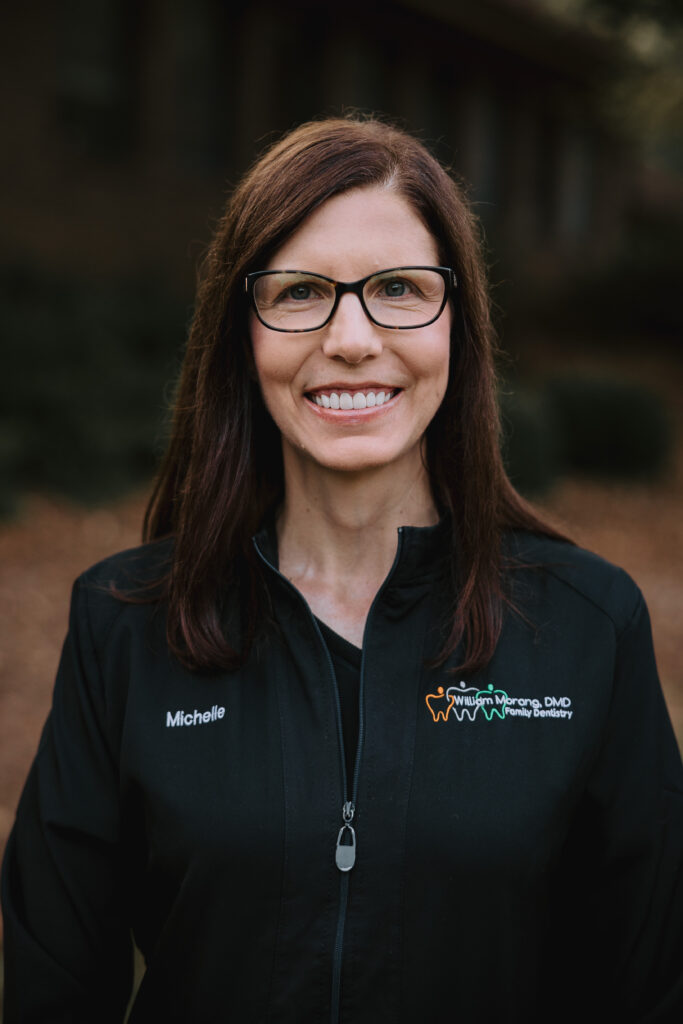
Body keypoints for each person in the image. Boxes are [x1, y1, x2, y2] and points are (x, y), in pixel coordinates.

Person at [2, 116, 682, 1024]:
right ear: (243, 332)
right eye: (300, 292)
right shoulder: (125, 624)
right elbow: (53, 991)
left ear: (458, 324)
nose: (352, 336)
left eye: (398, 288)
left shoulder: (588, 626)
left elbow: (650, 987)